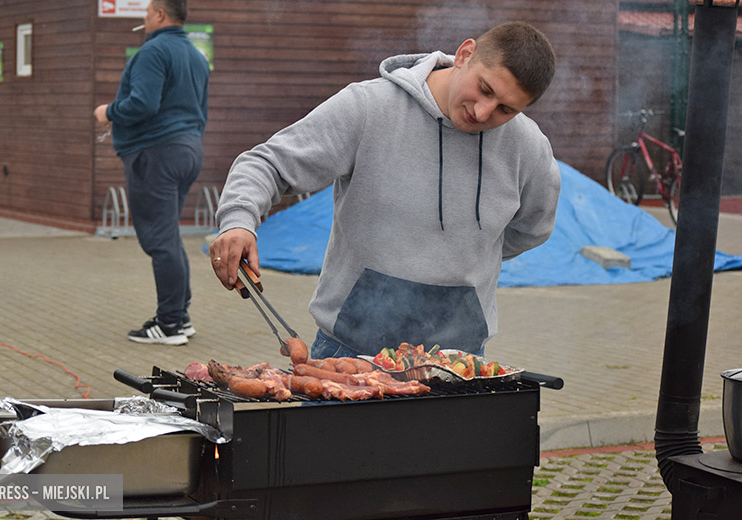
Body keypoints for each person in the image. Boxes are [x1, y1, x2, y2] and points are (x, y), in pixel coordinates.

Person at [210, 22, 560, 358]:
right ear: (465, 54)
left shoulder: (528, 148)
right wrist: (238, 221)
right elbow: (267, 164)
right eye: (484, 89)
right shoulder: (368, 108)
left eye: (505, 109)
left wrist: (468, 250)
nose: (483, 113)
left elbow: (532, 229)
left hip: (461, 360)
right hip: (347, 351)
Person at [94, 0, 209, 346]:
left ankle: (169, 323)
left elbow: (143, 103)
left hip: (156, 153)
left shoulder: (153, 52)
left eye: (146, 13)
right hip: (188, 150)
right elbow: (200, 109)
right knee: (169, 236)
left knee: (159, 239)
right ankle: (180, 317)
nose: (143, 20)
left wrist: (108, 112)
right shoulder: (196, 56)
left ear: (160, 14)